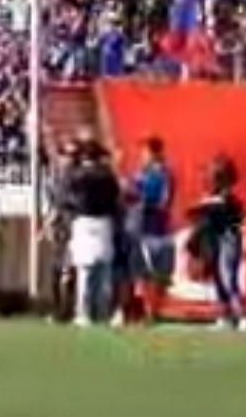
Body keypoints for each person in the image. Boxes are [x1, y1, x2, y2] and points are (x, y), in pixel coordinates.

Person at [65, 140, 123, 328]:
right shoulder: (108, 176)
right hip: (104, 222)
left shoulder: (78, 175)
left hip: (83, 221)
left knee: (85, 271)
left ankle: (84, 313)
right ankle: (103, 312)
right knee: (104, 270)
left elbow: (67, 194)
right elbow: (115, 197)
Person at [189, 154, 246, 331]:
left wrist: (204, 207)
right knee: (218, 279)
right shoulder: (214, 196)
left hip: (229, 240)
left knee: (228, 278)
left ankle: (243, 317)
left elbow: (223, 211)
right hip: (217, 240)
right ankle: (225, 317)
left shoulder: (229, 198)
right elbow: (198, 212)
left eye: (215, 174)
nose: (210, 178)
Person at [127, 137, 175, 324]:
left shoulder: (164, 175)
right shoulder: (140, 174)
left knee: (157, 275)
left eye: (146, 152)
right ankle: (146, 311)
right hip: (140, 230)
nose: (143, 156)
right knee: (142, 274)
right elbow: (131, 193)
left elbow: (164, 202)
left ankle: (154, 310)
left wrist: (143, 201)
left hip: (157, 230)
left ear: (155, 153)